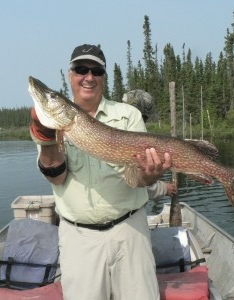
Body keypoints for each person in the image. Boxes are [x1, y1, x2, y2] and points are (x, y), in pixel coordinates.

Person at [30, 44, 172, 300]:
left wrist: (150, 175)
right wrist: (47, 139)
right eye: (81, 69)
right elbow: (57, 176)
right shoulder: (53, 124)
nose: (89, 77)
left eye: (96, 71)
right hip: (79, 238)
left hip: (130, 232)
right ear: (70, 74)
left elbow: (137, 179)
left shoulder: (128, 115)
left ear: (104, 77)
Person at [122, 90, 177, 201]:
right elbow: (131, 180)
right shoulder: (136, 142)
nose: (143, 122)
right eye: (144, 118)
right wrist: (164, 188)